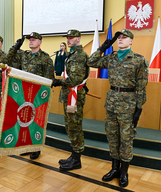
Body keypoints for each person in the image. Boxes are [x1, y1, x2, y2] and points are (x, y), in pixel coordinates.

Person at [87, 29, 148, 187]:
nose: (120, 39)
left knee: (126, 139)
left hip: (128, 104)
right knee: (112, 136)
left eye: (124, 37)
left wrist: (139, 109)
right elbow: (91, 62)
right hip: (112, 102)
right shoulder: (111, 57)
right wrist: (103, 47)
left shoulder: (138, 60)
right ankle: (114, 168)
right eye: (119, 37)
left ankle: (124, 172)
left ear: (131, 41)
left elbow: (142, 86)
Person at [7, 32, 54, 160]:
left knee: (36, 122)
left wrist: (43, 97)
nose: (31, 41)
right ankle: (27, 146)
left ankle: (36, 148)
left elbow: (49, 79)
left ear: (40, 42)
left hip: (38, 96)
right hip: (24, 93)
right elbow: (8, 59)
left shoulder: (46, 58)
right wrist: (16, 46)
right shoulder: (24, 55)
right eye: (30, 39)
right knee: (25, 121)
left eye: (34, 39)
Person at [52, 29, 90, 170]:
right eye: (67, 37)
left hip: (75, 96)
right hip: (69, 95)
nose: (68, 40)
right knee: (70, 126)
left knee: (74, 127)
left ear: (78, 39)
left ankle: (77, 159)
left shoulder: (79, 55)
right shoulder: (72, 54)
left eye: (71, 37)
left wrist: (58, 82)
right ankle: (73, 156)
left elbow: (74, 79)